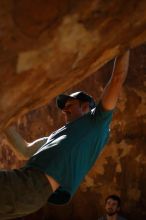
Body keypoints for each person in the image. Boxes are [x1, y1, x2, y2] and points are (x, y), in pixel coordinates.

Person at [2, 50, 130, 219]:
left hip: (33, 186)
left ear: (85, 107)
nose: (64, 110)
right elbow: (24, 150)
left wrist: (125, 44)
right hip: (29, 192)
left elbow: (117, 78)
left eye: (70, 104)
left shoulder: (96, 122)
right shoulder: (57, 136)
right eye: (64, 107)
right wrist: (4, 121)